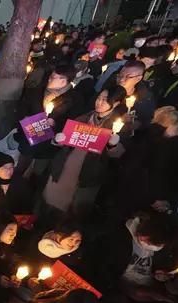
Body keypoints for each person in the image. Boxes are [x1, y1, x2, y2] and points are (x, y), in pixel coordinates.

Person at [42, 86, 127, 219]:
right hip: (66, 165)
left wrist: (113, 145)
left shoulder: (119, 125)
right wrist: (58, 140)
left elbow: (118, 154)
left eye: (105, 100)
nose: (99, 102)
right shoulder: (83, 118)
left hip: (88, 172)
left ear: (116, 103)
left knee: (75, 210)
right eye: (99, 98)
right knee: (53, 201)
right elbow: (63, 140)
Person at [117, 60, 156, 127]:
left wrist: (133, 124)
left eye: (128, 77)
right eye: (121, 75)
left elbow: (145, 122)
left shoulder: (145, 99)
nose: (122, 80)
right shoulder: (109, 89)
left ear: (138, 78)